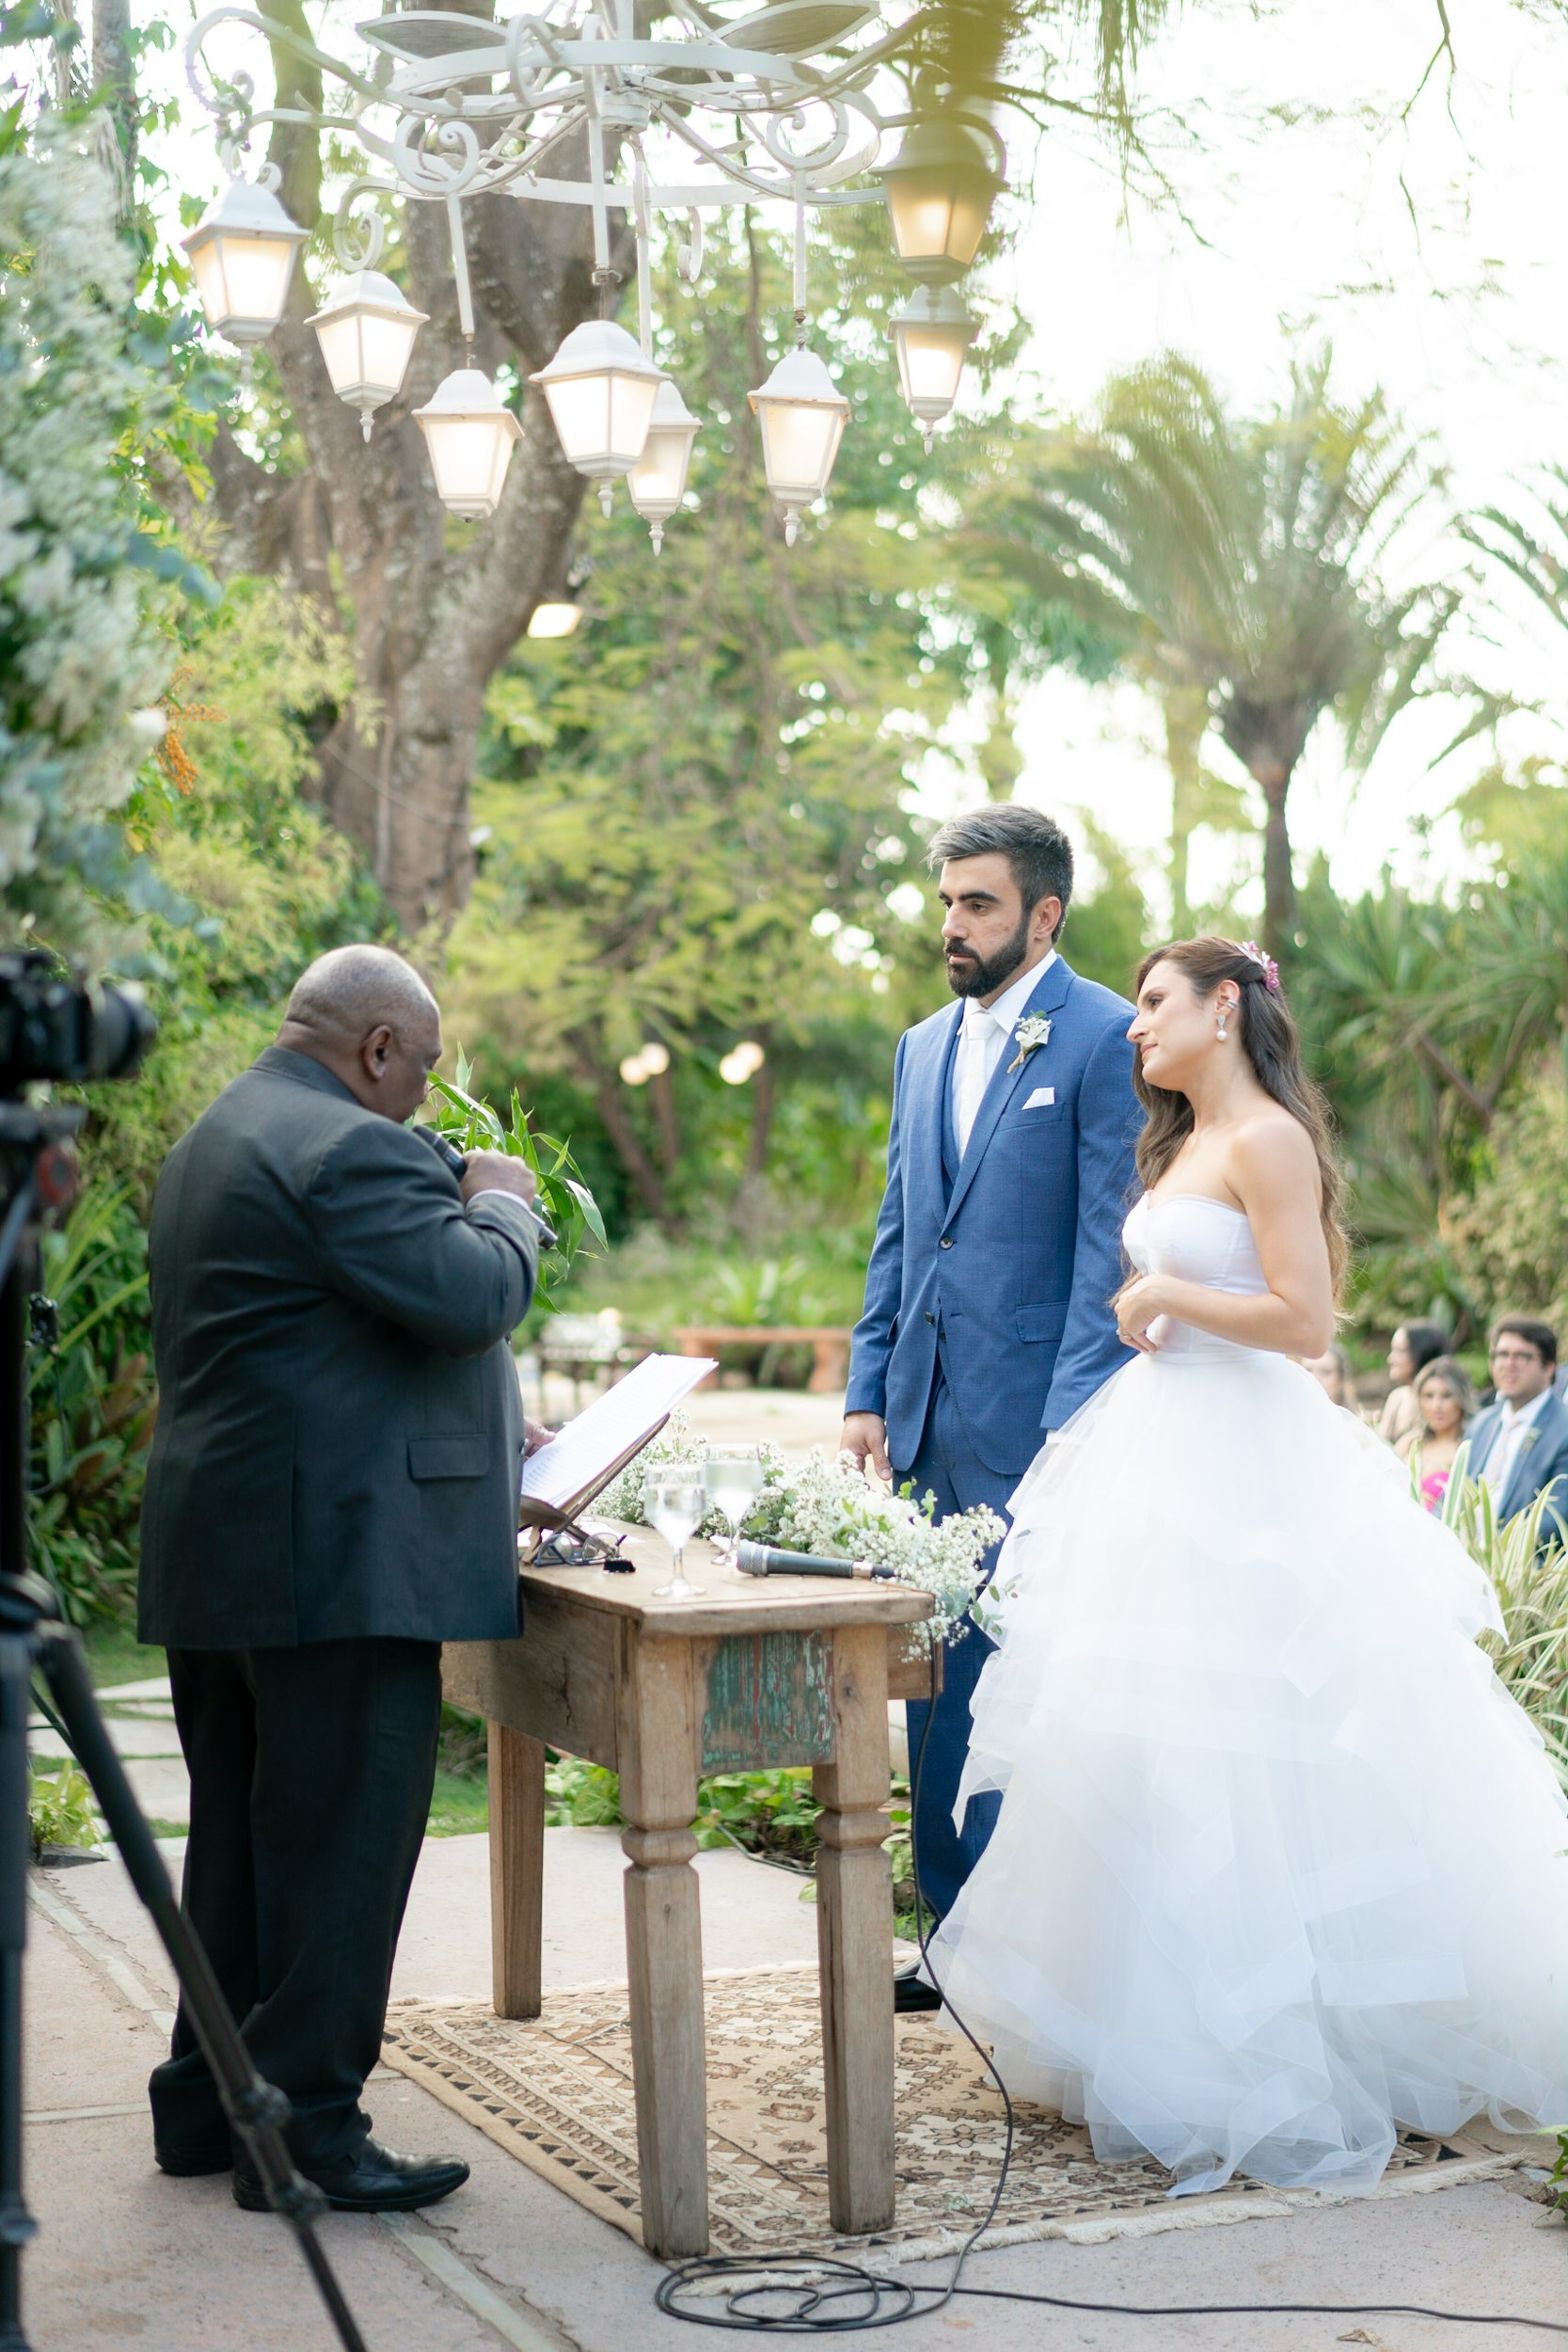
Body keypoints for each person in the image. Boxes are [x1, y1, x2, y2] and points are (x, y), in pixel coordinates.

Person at [929, 936, 1568, 2196]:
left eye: (1153, 1002)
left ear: (1222, 1007)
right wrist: (1159, 1302)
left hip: (1248, 1465)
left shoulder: (1268, 1139)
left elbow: (1304, 1320)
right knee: (1142, 1740)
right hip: (1157, 1450)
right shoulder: (1179, 1144)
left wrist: (1163, 1295)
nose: (1133, 1025)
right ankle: (1146, 2027)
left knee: (1260, 1744)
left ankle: (1283, 2047)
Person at [138, 946, 542, 2213]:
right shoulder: (349, 1147)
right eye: (422, 1068)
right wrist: (504, 1203)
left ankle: (207, 2105)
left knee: (241, 1852)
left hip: (229, 1547)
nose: (424, 1094)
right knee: (340, 1857)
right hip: (336, 1563)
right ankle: (306, 2125)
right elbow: (471, 1295)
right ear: (377, 1049)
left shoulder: (222, 1132)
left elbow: (319, 1338)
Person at [840, 805, 1141, 2011]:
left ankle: (1033, 1958)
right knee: (935, 1687)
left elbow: (1105, 1250)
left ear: (1043, 914)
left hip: (1036, 1426)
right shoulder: (919, 1046)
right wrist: (866, 1389)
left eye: (978, 903)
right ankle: (951, 1939)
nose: (952, 925)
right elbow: (901, 1228)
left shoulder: (1104, 1036)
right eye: (947, 902)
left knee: (1028, 1688)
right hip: (922, 1418)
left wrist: (1068, 1428)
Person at [1465, 1317, 1568, 1546]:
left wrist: (1496, 1548)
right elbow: (1454, 1495)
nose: (1508, 1364)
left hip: (1523, 1560)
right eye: (1502, 1354)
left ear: (1549, 1366)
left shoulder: (1563, 1429)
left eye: (1522, 1356)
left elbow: (1557, 1516)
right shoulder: (1481, 1424)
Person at [1404, 1355, 1476, 1511]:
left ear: (1461, 1399)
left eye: (1446, 1396)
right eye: (1428, 1396)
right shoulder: (1411, 1442)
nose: (1436, 1406)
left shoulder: (1469, 1449)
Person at [1377, 1319, 1448, 1452]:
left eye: (1400, 1351)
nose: (1391, 1359)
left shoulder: (1442, 1402)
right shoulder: (1397, 1397)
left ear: (1422, 1352)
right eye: (1393, 1350)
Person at [1301, 1341, 1355, 1409]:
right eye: (1307, 1370)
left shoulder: (1348, 1416)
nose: (1315, 1377)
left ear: (1340, 1380)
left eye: (1325, 1372)